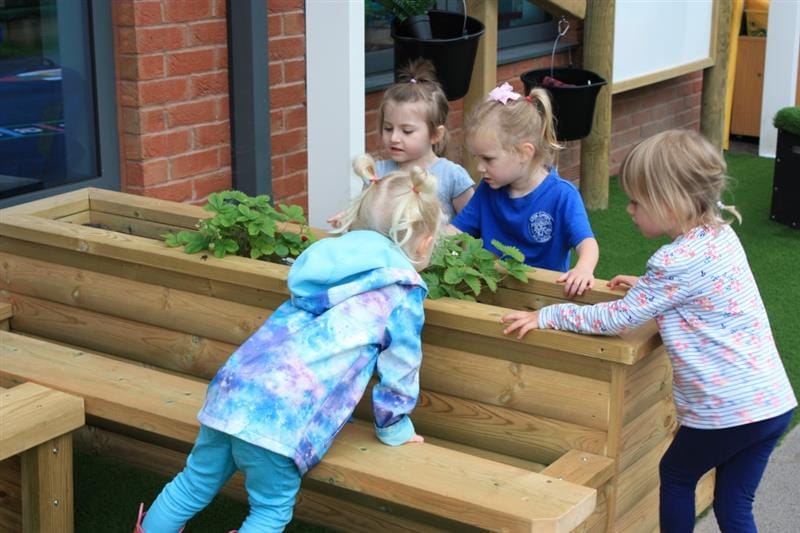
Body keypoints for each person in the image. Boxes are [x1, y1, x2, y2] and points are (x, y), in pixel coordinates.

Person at [501, 129, 797, 533]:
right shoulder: (721, 236)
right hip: (771, 403)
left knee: (676, 475)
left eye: (637, 201)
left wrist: (549, 316)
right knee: (734, 503)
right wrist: (649, 288)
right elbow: (706, 291)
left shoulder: (674, 262)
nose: (630, 210)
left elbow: (617, 319)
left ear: (671, 202)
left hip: (726, 410)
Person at [135, 155, 443, 533]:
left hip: (230, 396)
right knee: (269, 511)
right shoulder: (400, 293)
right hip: (281, 420)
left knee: (192, 483)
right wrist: (394, 428)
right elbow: (401, 368)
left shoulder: (322, 265)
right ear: (426, 242)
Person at [449, 82, 599, 297]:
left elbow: (587, 242)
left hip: (545, 298)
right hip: (494, 292)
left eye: (488, 159)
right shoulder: (488, 190)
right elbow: (456, 231)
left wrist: (583, 269)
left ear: (524, 153)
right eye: (477, 158)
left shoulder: (563, 195)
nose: (480, 168)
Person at [329, 59, 473, 226]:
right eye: (388, 128)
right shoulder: (377, 173)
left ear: (435, 134)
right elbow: (366, 220)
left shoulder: (453, 176)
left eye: (407, 131)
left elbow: (472, 226)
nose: (394, 138)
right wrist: (349, 219)